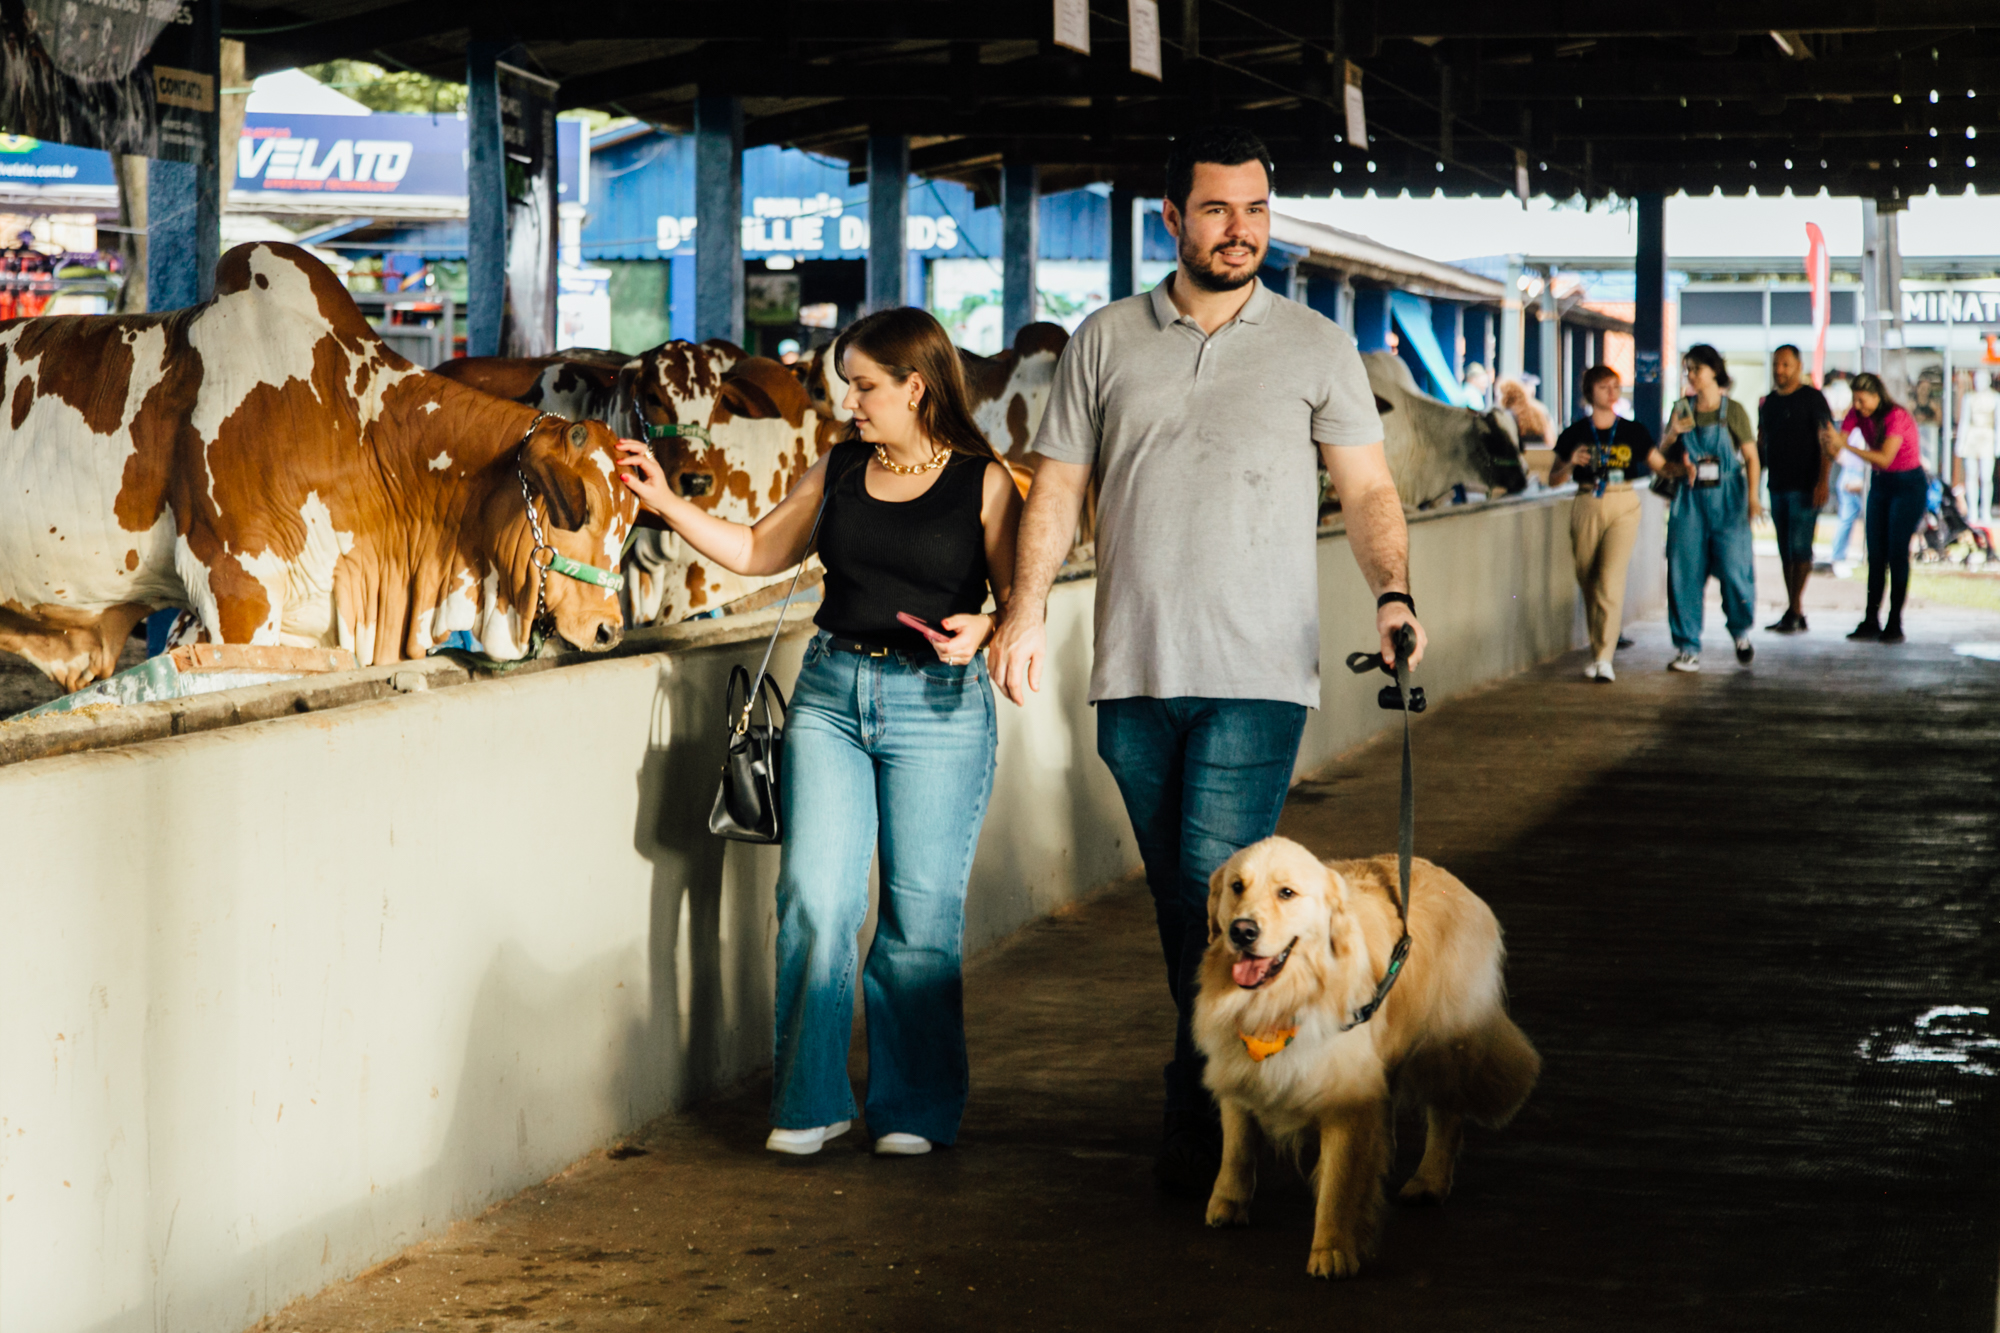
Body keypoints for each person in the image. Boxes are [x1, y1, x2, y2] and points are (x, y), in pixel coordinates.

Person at [987, 126, 1423, 1197]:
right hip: (1132, 669)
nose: (1241, 231)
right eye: (1218, 210)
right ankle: (1251, 1082)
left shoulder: (1315, 344)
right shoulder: (1102, 341)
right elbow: (1054, 490)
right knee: (1183, 910)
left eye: (1257, 210)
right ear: (1171, 220)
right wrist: (1025, 611)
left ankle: (1202, 1118)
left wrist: (1392, 591)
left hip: (1258, 671)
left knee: (1210, 891)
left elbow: (1365, 491)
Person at [617, 308, 1024, 1158]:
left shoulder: (985, 483)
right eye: (849, 385)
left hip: (938, 707)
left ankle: (911, 1107)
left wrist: (983, 630)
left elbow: (1019, 601)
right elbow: (760, 549)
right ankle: (810, 1099)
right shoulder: (838, 467)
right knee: (814, 899)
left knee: (919, 915)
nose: (850, 402)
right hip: (833, 694)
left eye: (865, 386)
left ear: (917, 387)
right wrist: (662, 504)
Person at [1549, 365, 1654, 681]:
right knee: (1588, 577)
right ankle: (1598, 650)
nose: (1612, 392)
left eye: (1615, 386)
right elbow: (1553, 478)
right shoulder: (1575, 433)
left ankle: (1605, 657)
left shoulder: (1633, 431)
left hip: (1623, 501)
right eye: (1604, 387)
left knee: (1610, 578)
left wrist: (1676, 446)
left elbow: (1659, 464)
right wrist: (1571, 463)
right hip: (1587, 501)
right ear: (1589, 393)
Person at [1660, 344, 1760, 673]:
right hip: (1689, 499)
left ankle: (1740, 631)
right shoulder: (1681, 409)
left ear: (1714, 371)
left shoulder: (1733, 411)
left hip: (1728, 498)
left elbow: (1751, 457)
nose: (1690, 375)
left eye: (1696, 369)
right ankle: (1687, 646)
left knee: (1735, 569)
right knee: (1684, 572)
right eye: (1687, 369)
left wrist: (1753, 498)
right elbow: (1660, 458)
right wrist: (1672, 434)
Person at [1823, 371, 1925, 645]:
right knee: (1876, 554)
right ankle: (1871, 620)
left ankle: (1895, 622)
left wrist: (1846, 447)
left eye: (1862, 399)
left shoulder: (1896, 417)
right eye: (1854, 400)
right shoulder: (1855, 415)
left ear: (1877, 395)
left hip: (1907, 484)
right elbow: (1838, 446)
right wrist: (1831, 442)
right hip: (1881, 484)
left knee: (1896, 552)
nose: (1857, 406)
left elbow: (1884, 457)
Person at [1756, 345, 1834, 632]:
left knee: (1801, 549)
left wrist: (1823, 481)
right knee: (1785, 550)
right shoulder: (1767, 403)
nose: (1780, 370)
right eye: (1776, 364)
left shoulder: (1813, 399)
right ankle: (1794, 609)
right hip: (1777, 485)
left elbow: (1827, 441)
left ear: (1798, 366)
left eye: (1786, 365)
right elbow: (1761, 441)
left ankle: (1795, 607)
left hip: (1806, 487)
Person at [1957, 370, 1998, 526]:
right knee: (1971, 475)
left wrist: (1997, 443)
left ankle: (1985, 510)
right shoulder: (1969, 398)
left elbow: (1998, 422)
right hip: (1972, 438)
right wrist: (1961, 442)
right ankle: (1973, 510)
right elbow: (1964, 421)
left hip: (1988, 437)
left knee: (1986, 477)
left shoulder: (1995, 398)